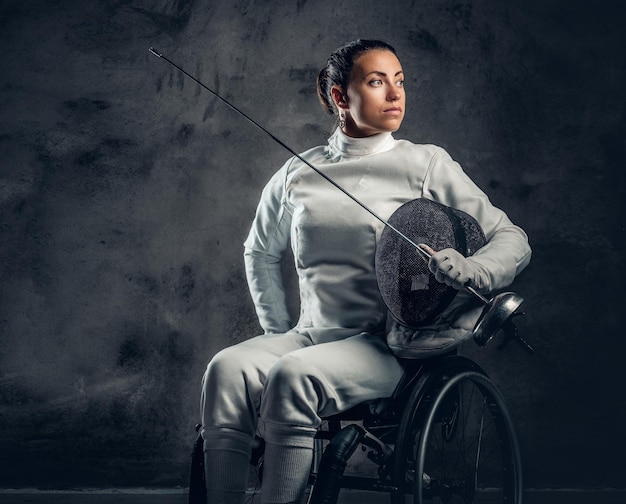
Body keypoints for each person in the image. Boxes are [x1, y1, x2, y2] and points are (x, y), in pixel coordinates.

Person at [199, 39, 531, 504]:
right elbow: (258, 251)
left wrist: (473, 267)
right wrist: (280, 331)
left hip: (389, 347)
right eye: (377, 82)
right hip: (312, 337)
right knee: (227, 368)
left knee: (293, 375)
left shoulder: (425, 162)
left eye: (399, 81)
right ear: (339, 97)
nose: (396, 95)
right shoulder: (300, 171)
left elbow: (513, 238)